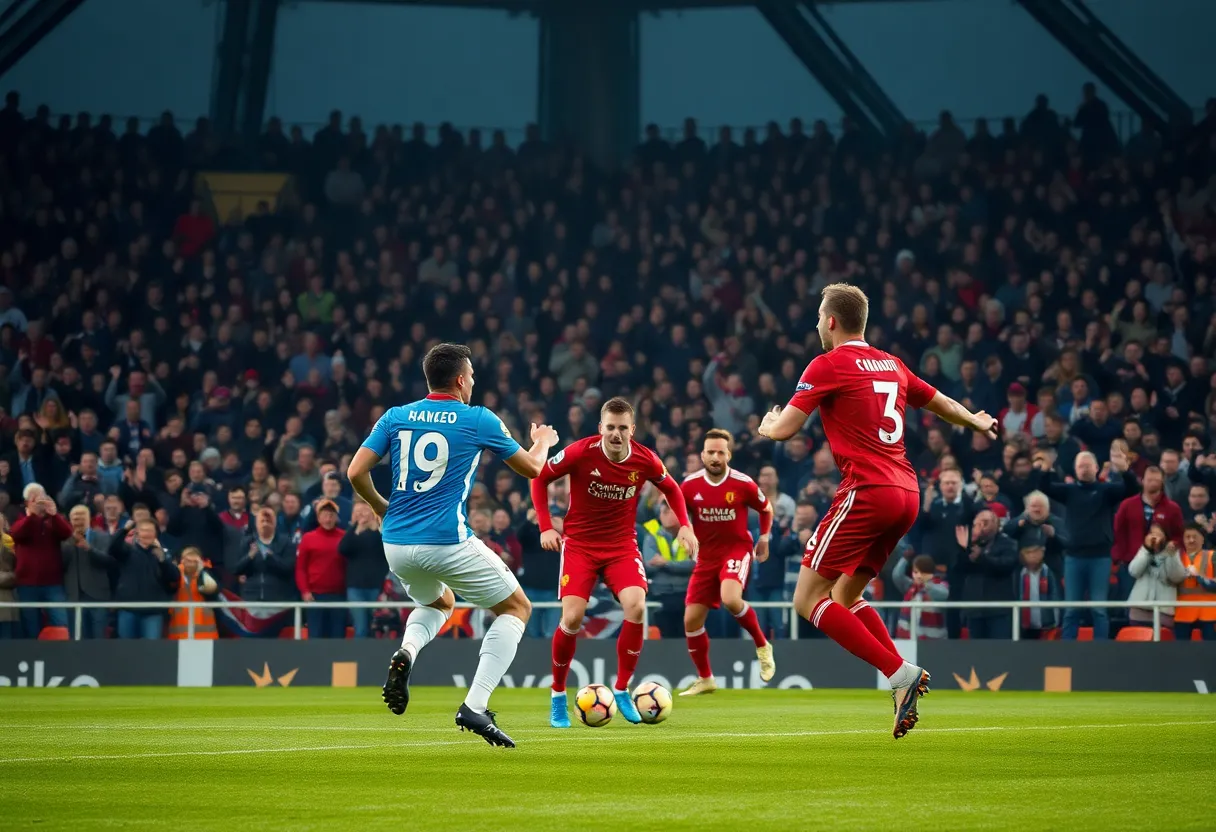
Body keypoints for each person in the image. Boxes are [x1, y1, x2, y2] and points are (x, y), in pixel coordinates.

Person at [757, 283, 997, 738]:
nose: (816, 325)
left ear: (831, 321)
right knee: (844, 597)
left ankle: (900, 673)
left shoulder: (827, 363)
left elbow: (788, 429)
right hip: (906, 493)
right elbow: (942, 403)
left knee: (807, 600)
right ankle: (899, 682)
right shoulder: (892, 363)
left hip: (866, 491)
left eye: (818, 318)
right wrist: (976, 421)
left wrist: (769, 427)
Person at [346, 343, 559, 748]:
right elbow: (533, 468)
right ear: (461, 379)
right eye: (473, 376)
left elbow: (355, 471)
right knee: (517, 608)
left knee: (438, 603)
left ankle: (407, 652)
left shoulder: (396, 416)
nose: (474, 382)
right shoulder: (478, 418)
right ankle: (474, 706)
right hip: (445, 539)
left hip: (397, 544)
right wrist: (544, 439)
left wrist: (379, 507)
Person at [530, 396, 697, 729]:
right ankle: (558, 695)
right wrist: (546, 526)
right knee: (573, 617)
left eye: (623, 428)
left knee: (636, 608)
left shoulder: (646, 459)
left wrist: (686, 526)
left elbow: (673, 489)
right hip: (579, 545)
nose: (616, 434)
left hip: (621, 546)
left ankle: (621, 689)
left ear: (632, 429)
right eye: (610, 427)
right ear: (600, 428)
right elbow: (538, 478)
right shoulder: (580, 452)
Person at [678, 429, 776, 696]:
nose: (715, 457)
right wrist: (684, 528)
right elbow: (678, 509)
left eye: (720, 452)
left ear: (728, 454)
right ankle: (706, 679)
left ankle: (762, 645)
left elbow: (766, 508)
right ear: (702, 455)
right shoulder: (689, 485)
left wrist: (764, 538)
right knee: (691, 621)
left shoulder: (743, 483)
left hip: (736, 550)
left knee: (731, 599)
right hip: (706, 557)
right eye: (710, 452)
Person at [1035, 447, 1137, 640]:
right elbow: (1045, 487)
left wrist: (1125, 471)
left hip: (1100, 557)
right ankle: (1069, 652)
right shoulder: (1069, 491)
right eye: (1080, 466)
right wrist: (1046, 469)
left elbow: (1131, 490)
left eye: (1088, 465)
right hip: (1074, 557)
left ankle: (1100, 650)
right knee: (1072, 609)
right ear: (1075, 469)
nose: (1084, 469)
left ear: (1096, 468)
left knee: (1099, 609)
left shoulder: (1106, 490)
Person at [10, 485, 72, 637]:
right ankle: (33, 657)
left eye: (42, 498)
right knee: (31, 626)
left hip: (52, 583)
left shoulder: (53, 521)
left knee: (61, 623)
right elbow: (16, 534)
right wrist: (33, 516)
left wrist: (54, 514)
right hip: (27, 583)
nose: (40, 502)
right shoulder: (21, 520)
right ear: (27, 503)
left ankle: (62, 656)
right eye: (35, 499)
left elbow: (67, 533)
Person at [108, 519, 180, 639]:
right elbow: (112, 548)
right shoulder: (127, 551)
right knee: (126, 650)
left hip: (153, 612)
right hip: (128, 610)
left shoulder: (162, 554)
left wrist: (163, 560)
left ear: (155, 534)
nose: (147, 534)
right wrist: (124, 530)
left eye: (150, 531)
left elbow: (174, 577)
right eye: (144, 530)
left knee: (151, 652)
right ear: (137, 533)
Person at [955, 510, 1019, 639]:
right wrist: (963, 549)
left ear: (996, 524)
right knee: (977, 653)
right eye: (976, 524)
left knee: (999, 652)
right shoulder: (970, 546)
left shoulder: (1008, 544)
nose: (981, 527)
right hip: (974, 609)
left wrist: (982, 557)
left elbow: (1006, 565)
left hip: (998, 610)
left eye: (985, 523)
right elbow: (959, 569)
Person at [294, 500, 347, 638]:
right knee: (315, 636)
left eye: (331, 515)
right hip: (315, 596)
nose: (328, 519)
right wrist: (305, 591)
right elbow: (300, 568)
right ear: (318, 517)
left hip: (339, 596)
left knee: (338, 636)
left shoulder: (345, 537)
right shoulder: (308, 538)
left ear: (336, 517)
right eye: (324, 515)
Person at [61, 505, 114, 639]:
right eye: (75, 518)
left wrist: (90, 549)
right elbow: (60, 564)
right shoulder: (64, 540)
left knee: (98, 641)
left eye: (81, 517)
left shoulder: (103, 537)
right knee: (77, 641)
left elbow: (108, 561)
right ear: (70, 521)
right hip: (74, 596)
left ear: (89, 519)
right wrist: (72, 541)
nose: (78, 521)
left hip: (97, 596)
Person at [339, 501, 386, 637]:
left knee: (377, 626)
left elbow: (386, 550)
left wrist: (375, 528)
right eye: (358, 512)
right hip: (355, 587)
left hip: (377, 586)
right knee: (360, 627)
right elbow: (342, 549)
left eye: (365, 511)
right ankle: (361, 657)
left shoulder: (381, 533)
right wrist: (356, 528)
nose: (362, 515)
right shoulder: (351, 533)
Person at [1127, 524, 1186, 633]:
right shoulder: (1143, 551)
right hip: (1139, 611)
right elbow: (1133, 571)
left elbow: (1177, 577)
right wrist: (1146, 550)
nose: (1155, 537)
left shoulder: (1173, 553)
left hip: (1163, 612)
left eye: (1158, 534)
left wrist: (1170, 555)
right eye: (1152, 534)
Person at [892, 554, 949, 639]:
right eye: (915, 572)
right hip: (907, 638)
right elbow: (897, 576)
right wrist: (905, 559)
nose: (918, 576)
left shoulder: (940, 585)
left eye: (922, 572)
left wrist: (926, 584)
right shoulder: (910, 586)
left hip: (933, 640)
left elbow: (944, 594)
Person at [168, 546, 220, 639]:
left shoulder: (207, 573)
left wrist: (201, 570)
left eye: (194, 561)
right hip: (179, 629)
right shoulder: (175, 573)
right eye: (188, 560)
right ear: (182, 560)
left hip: (205, 632)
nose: (191, 564)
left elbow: (213, 591)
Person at [1175, 523, 1216, 641]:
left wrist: (1199, 576)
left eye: (1195, 536)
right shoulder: (1175, 558)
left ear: (1202, 538)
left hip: (1210, 612)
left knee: (1211, 651)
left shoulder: (1212, 556)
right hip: (1182, 612)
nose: (1191, 540)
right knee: (1181, 651)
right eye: (1187, 537)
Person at [1015, 542, 1061, 639]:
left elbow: (1054, 595)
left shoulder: (1047, 572)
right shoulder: (1021, 574)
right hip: (1027, 623)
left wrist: (1056, 620)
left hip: (1045, 622)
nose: (1032, 556)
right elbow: (1018, 596)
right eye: (1029, 553)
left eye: (1035, 552)